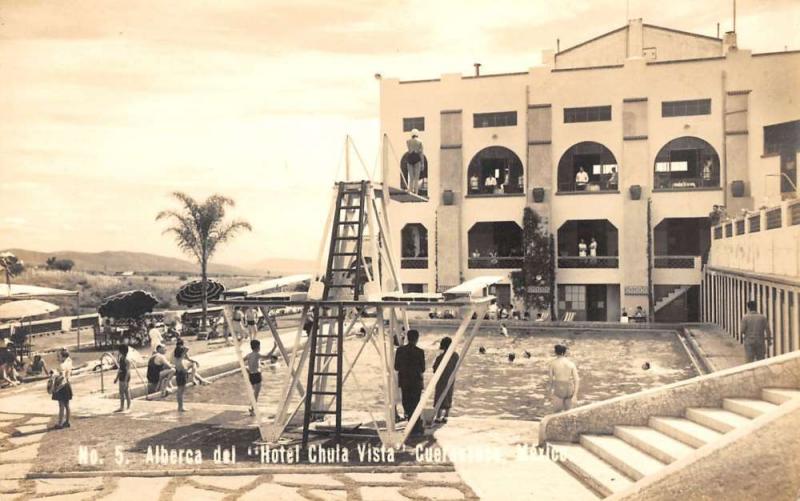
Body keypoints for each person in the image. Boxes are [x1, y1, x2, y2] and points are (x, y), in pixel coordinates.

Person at [394, 329, 425, 434]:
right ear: (417, 339)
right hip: (416, 381)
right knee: (415, 403)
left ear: (407, 337)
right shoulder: (420, 352)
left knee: (406, 402)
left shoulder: (400, 350)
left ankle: (412, 423)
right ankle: (416, 425)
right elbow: (423, 368)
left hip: (404, 381)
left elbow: (396, 367)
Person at [433, 337, 458, 424]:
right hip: (450, 378)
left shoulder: (440, 357)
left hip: (441, 379)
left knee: (439, 395)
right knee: (448, 395)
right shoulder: (455, 356)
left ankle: (438, 416)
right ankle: (446, 415)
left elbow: (435, 369)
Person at [244, 339, 272, 416]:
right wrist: (274, 347)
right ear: (258, 347)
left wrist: (246, 369)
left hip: (251, 375)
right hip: (257, 374)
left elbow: (241, 361)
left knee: (254, 393)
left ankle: (252, 406)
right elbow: (267, 356)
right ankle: (252, 408)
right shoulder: (257, 354)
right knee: (256, 393)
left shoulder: (248, 355)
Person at [548, 344, 579, 412]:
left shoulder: (552, 364)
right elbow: (576, 380)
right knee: (569, 413)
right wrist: (575, 395)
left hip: (559, 388)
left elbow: (550, 381)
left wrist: (549, 394)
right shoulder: (571, 364)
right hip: (569, 388)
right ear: (564, 353)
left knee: (557, 413)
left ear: (555, 352)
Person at [52, 349, 73, 429]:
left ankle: (60, 423)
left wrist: (56, 388)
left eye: (59, 356)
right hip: (67, 384)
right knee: (67, 405)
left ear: (63, 357)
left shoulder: (62, 365)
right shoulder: (69, 362)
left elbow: (62, 377)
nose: (58, 357)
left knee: (61, 405)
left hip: (62, 385)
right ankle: (67, 421)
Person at [405, 129, 424, 194]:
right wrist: (422, 163)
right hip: (417, 158)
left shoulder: (408, 141)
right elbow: (421, 153)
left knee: (411, 177)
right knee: (416, 177)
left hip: (410, 158)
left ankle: (410, 190)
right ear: (417, 134)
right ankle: (416, 192)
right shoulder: (420, 142)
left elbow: (409, 149)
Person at [114, 345, 132, 412]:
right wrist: (116, 378)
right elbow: (120, 369)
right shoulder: (121, 358)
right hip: (122, 375)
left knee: (124, 392)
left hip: (125, 376)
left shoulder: (126, 360)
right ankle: (125, 406)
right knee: (124, 392)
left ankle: (125, 407)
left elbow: (128, 371)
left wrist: (125, 380)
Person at [173, 346, 190, 412]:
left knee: (180, 391)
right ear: (181, 353)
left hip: (179, 375)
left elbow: (186, 349)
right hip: (182, 375)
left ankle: (180, 406)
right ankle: (180, 407)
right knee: (181, 392)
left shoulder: (176, 359)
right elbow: (183, 369)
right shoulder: (180, 361)